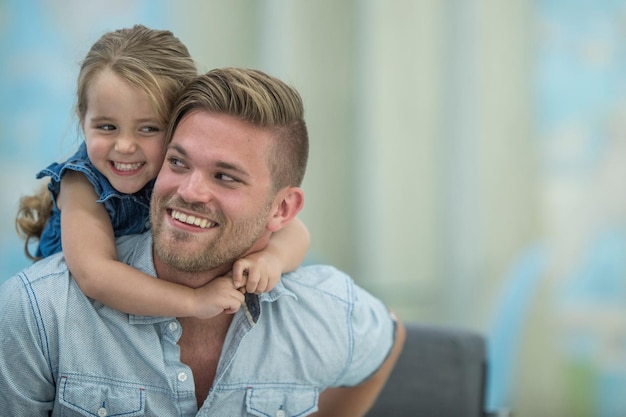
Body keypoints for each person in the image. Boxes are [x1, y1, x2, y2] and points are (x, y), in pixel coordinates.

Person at [0, 67, 405, 416]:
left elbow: (388, 337)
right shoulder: (41, 310)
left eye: (225, 176)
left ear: (282, 210)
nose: (190, 191)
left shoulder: (326, 311)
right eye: (177, 163)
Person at [14, 25, 310, 320]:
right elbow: (95, 275)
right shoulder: (80, 183)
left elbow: (293, 230)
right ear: (82, 120)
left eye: (148, 129)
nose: (125, 146)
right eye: (107, 127)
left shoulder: (178, 177)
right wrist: (193, 301)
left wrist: (271, 259)